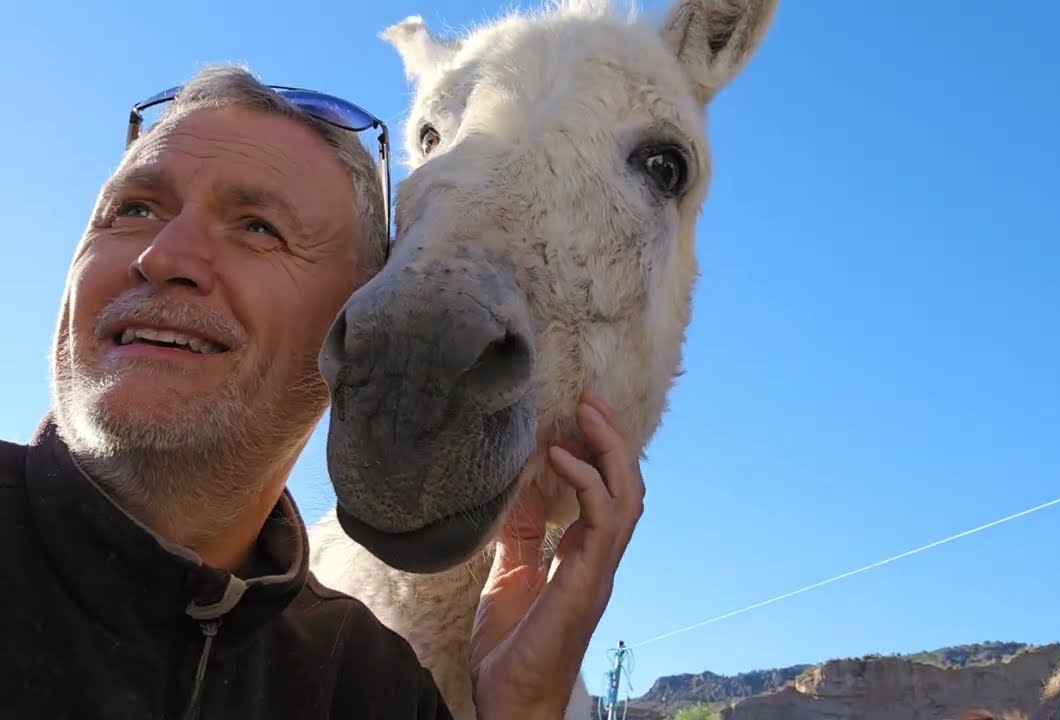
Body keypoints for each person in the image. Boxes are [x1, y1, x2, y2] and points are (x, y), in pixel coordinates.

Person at [0, 63, 645, 720]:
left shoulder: (369, 687)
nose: (163, 255)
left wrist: (525, 709)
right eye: (134, 209)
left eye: (257, 227)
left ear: (359, 314)